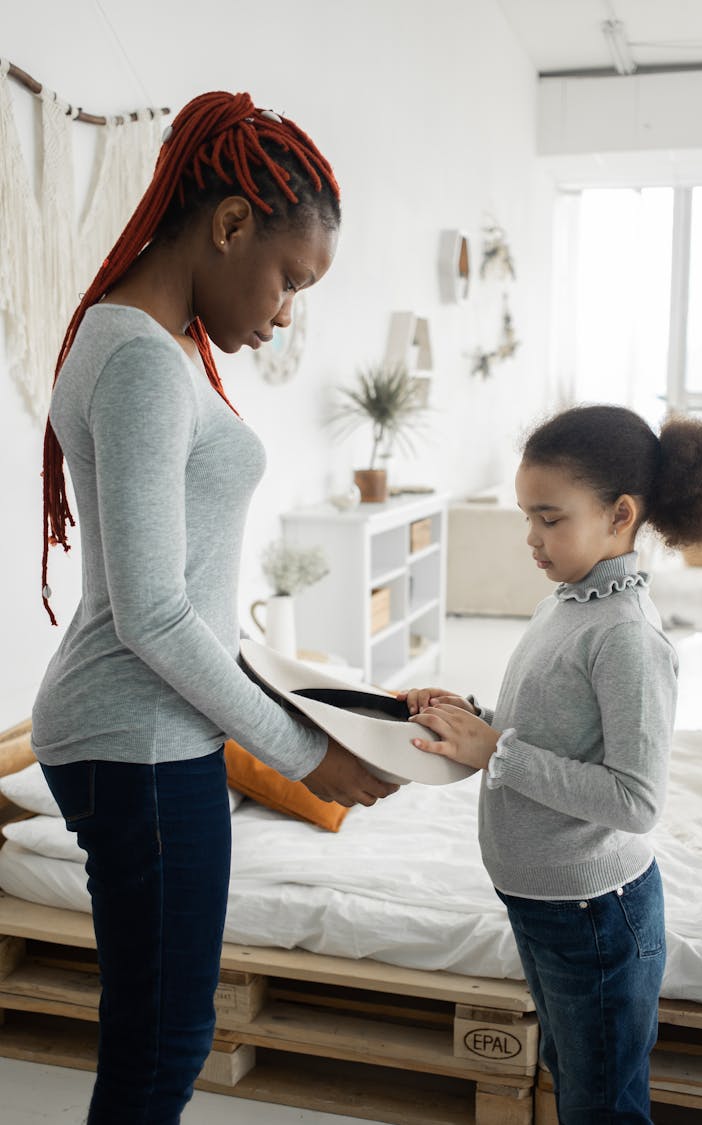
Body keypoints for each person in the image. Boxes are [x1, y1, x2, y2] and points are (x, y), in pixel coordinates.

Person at [32, 90, 397, 1125]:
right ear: (231, 223)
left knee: (158, 1031)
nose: (286, 315)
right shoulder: (144, 359)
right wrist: (304, 753)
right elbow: (149, 614)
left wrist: (315, 700)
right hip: (134, 745)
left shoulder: (149, 341)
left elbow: (178, 594)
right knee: (164, 1043)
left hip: (136, 739)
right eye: (290, 280)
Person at [401, 404, 702, 1125]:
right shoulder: (569, 602)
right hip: (545, 903)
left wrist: (497, 749)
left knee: (602, 1106)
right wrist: (471, 717)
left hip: (594, 916)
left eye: (550, 517)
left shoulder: (626, 636)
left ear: (620, 515)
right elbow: (545, 733)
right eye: (527, 515)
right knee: (576, 1075)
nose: (532, 537)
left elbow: (636, 799)